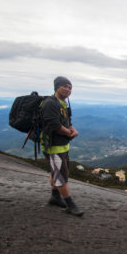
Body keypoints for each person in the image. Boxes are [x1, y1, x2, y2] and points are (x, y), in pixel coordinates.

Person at [41, 76, 84, 216]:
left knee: (56, 172)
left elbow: (67, 122)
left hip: (62, 145)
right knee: (61, 177)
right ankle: (70, 204)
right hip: (53, 146)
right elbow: (54, 125)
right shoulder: (50, 103)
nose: (67, 89)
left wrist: (73, 130)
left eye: (70, 87)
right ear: (56, 87)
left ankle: (55, 196)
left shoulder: (63, 103)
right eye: (64, 86)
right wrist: (69, 134)